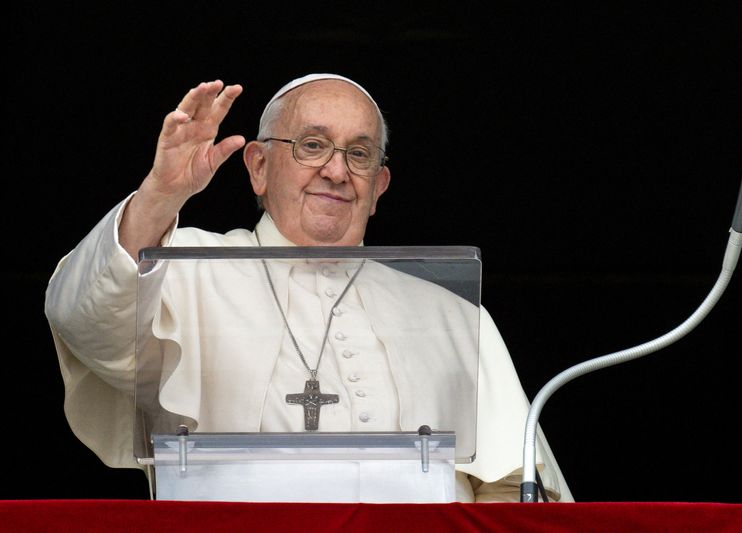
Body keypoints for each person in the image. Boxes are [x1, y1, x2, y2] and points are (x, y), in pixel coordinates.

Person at [44, 73, 573, 503]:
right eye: (312, 146)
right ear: (258, 167)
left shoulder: (452, 315)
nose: (337, 171)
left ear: (378, 189)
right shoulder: (183, 268)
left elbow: (516, 482)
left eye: (360, 154)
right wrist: (159, 196)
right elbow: (86, 321)